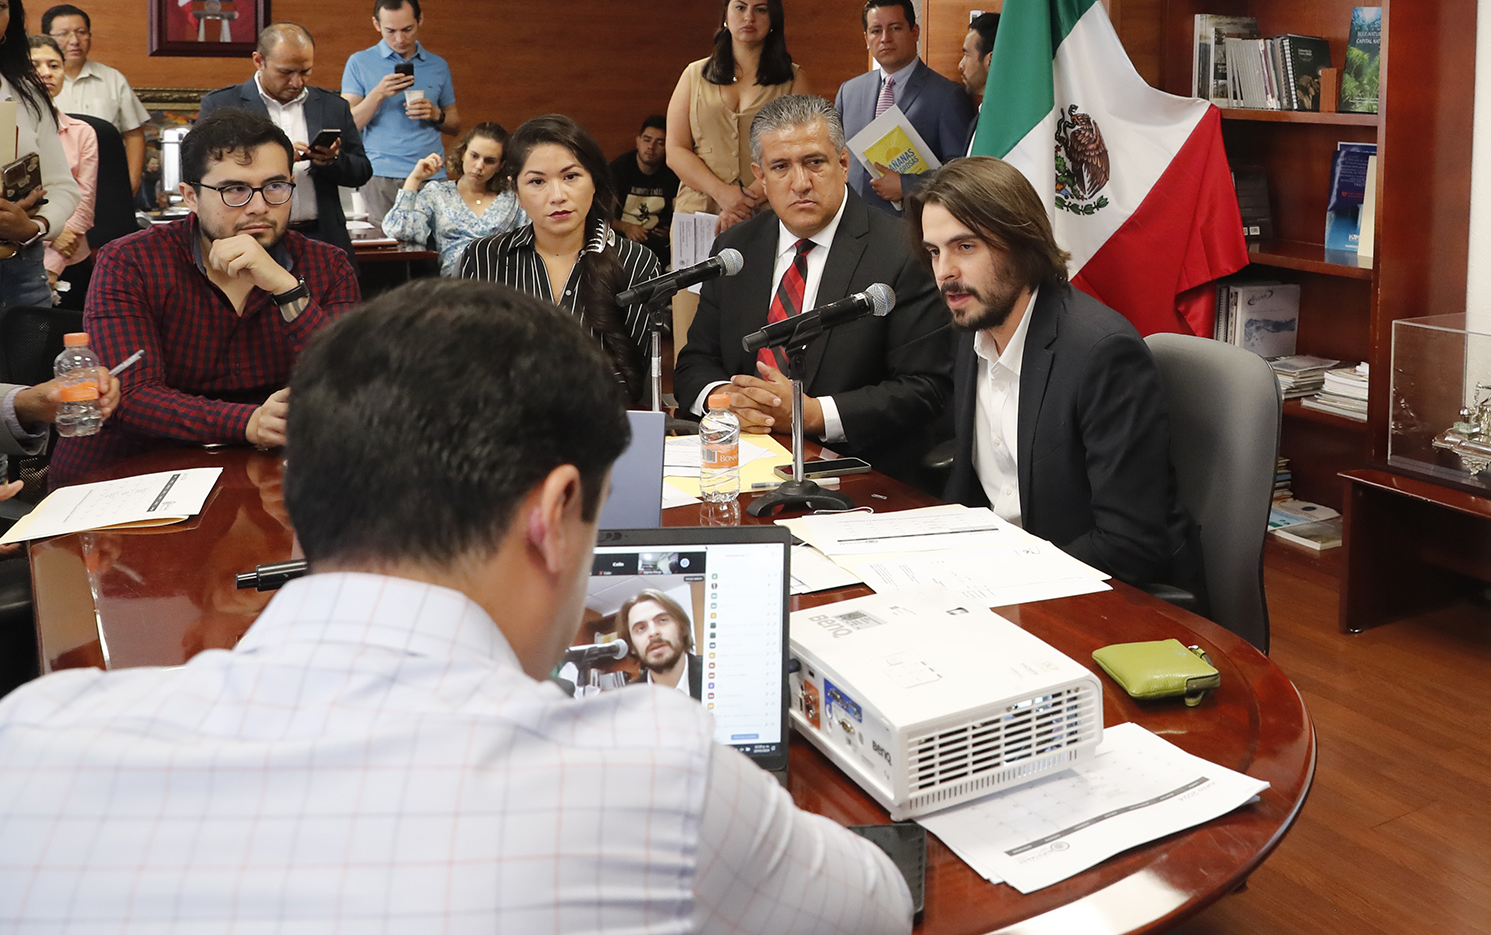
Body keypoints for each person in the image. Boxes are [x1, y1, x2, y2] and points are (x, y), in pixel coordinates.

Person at [0, 281, 911, 931]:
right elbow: (874, 903)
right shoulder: (654, 776)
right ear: (555, 516)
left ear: (303, 497)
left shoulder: (35, 741)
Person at [910, 156, 1195, 586]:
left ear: (1021, 244)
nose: (944, 272)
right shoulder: (974, 328)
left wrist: (1009, 579)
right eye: (934, 251)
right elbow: (968, 489)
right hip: (1003, 573)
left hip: (1096, 590)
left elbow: (1129, 544)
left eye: (965, 247)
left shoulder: (1101, 354)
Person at [675, 95, 955, 487]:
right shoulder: (736, 248)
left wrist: (812, 415)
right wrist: (727, 399)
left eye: (815, 163)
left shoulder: (904, 250)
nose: (801, 183)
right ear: (761, 176)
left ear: (843, 164)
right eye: (781, 167)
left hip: (861, 476)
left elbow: (926, 388)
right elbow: (695, 362)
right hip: (744, 465)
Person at [71, 109, 360, 484]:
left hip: (274, 473)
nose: (259, 206)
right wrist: (247, 422)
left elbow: (351, 386)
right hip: (141, 467)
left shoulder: (328, 266)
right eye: (234, 190)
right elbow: (132, 396)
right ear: (190, 196)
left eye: (275, 186)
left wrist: (286, 287)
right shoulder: (130, 261)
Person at [458, 115, 665, 393]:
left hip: (603, 415)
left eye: (571, 177)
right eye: (537, 181)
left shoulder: (636, 261)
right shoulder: (483, 258)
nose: (557, 195)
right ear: (516, 190)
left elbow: (636, 377)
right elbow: (471, 368)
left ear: (594, 181)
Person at [197, 23, 375, 252]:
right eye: (285, 72)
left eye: (305, 71)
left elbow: (361, 171)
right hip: (250, 237)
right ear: (259, 61)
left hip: (323, 238)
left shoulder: (333, 106)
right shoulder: (221, 105)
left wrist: (331, 160)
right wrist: (276, 158)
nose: (296, 82)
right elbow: (201, 171)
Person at [666, 0, 812, 239]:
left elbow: (799, 149)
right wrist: (722, 193)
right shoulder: (693, 74)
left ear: (773, 19)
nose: (749, 17)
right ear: (726, 14)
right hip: (700, 209)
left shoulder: (793, 79)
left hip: (768, 209)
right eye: (740, 8)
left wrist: (745, 201)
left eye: (760, 10)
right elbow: (675, 150)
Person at [835, 0, 973, 214]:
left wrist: (908, 185)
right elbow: (834, 156)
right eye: (876, 31)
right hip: (854, 222)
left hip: (910, 224)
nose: (885, 38)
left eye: (895, 28)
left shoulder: (948, 95)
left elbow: (961, 172)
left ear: (914, 32)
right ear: (866, 39)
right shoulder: (849, 91)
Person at [340, 0, 458, 227]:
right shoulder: (360, 62)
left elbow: (455, 125)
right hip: (381, 174)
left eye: (407, 29)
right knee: (384, 245)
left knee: (433, 246)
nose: (400, 39)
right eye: (390, 31)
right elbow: (347, 125)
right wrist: (378, 94)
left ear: (420, 20)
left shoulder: (437, 65)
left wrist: (436, 114)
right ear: (376, 24)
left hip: (431, 173)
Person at [0, 0, 80, 312]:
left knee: (31, 351)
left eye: (0, 6)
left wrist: (33, 226)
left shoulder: (26, 93)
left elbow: (63, 188)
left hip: (19, 274)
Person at [382, 121, 522, 275]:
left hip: (501, 280)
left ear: (500, 166)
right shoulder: (437, 193)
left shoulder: (512, 199)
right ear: (463, 154)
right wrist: (414, 179)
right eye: (474, 156)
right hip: (455, 282)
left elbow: (528, 245)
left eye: (489, 161)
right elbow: (400, 231)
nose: (479, 166)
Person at [40, 4, 149, 195]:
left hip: (106, 182)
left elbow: (134, 134)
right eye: (63, 34)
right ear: (47, 38)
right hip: (51, 184)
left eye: (81, 33)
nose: (74, 41)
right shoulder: (36, 81)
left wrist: (131, 183)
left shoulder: (112, 78)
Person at [23, 35, 95, 287]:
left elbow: (84, 204)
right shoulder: (9, 126)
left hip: (69, 254)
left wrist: (52, 266)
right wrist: (48, 230)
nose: (46, 73)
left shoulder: (82, 132)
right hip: (17, 250)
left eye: (54, 65)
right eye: (35, 65)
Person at [612, 113, 680, 249]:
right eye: (647, 140)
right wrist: (626, 227)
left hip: (658, 243)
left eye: (660, 143)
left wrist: (671, 230)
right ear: (638, 141)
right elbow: (602, 218)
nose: (651, 146)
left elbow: (679, 213)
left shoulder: (674, 173)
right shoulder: (619, 169)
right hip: (621, 240)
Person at [622, 589, 702, 698]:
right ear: (631, 646)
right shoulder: (628, 701)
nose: (653, 632)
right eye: (641, 628)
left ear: (682, 628)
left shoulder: (718, 674)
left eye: (662, 620)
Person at [958, 11, 998, 152]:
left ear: (991, 60)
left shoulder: (1000, 124)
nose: (960, 65)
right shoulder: (984, 115)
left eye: (967, 54)